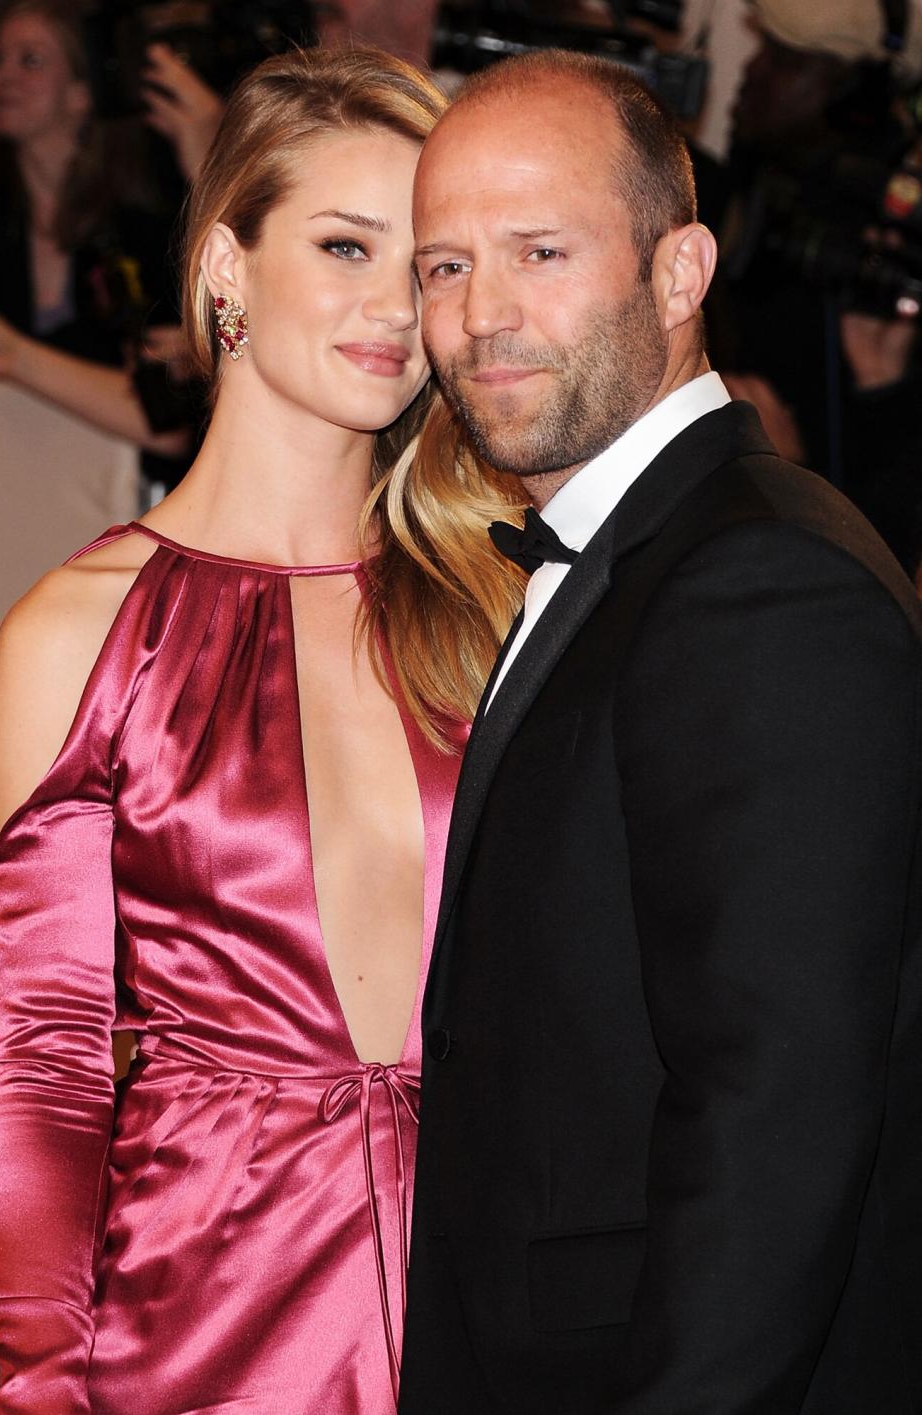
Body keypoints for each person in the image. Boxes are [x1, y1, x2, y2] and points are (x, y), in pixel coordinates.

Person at [0, 46, 522, 1415]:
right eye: (347, 243)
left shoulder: (505, 603)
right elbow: (47, 1058)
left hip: (494, 1285)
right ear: (228, 263)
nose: (396, 306)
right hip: (203, 1320)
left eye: (434, 266)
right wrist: (46, 1376)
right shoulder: (74, 632)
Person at [400, 48, 922, 1415]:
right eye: (444, 266)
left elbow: (777, 1113)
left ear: (681, 273)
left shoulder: (761, 582)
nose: (481, 313)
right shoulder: (629, 556)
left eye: (540, 250)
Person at [0, 0, 189, 456]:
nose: (2, 77)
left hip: (119, 496)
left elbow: (167, 426)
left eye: (30, 60)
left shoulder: (144, 221)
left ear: (83, 92)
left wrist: (9, 354)